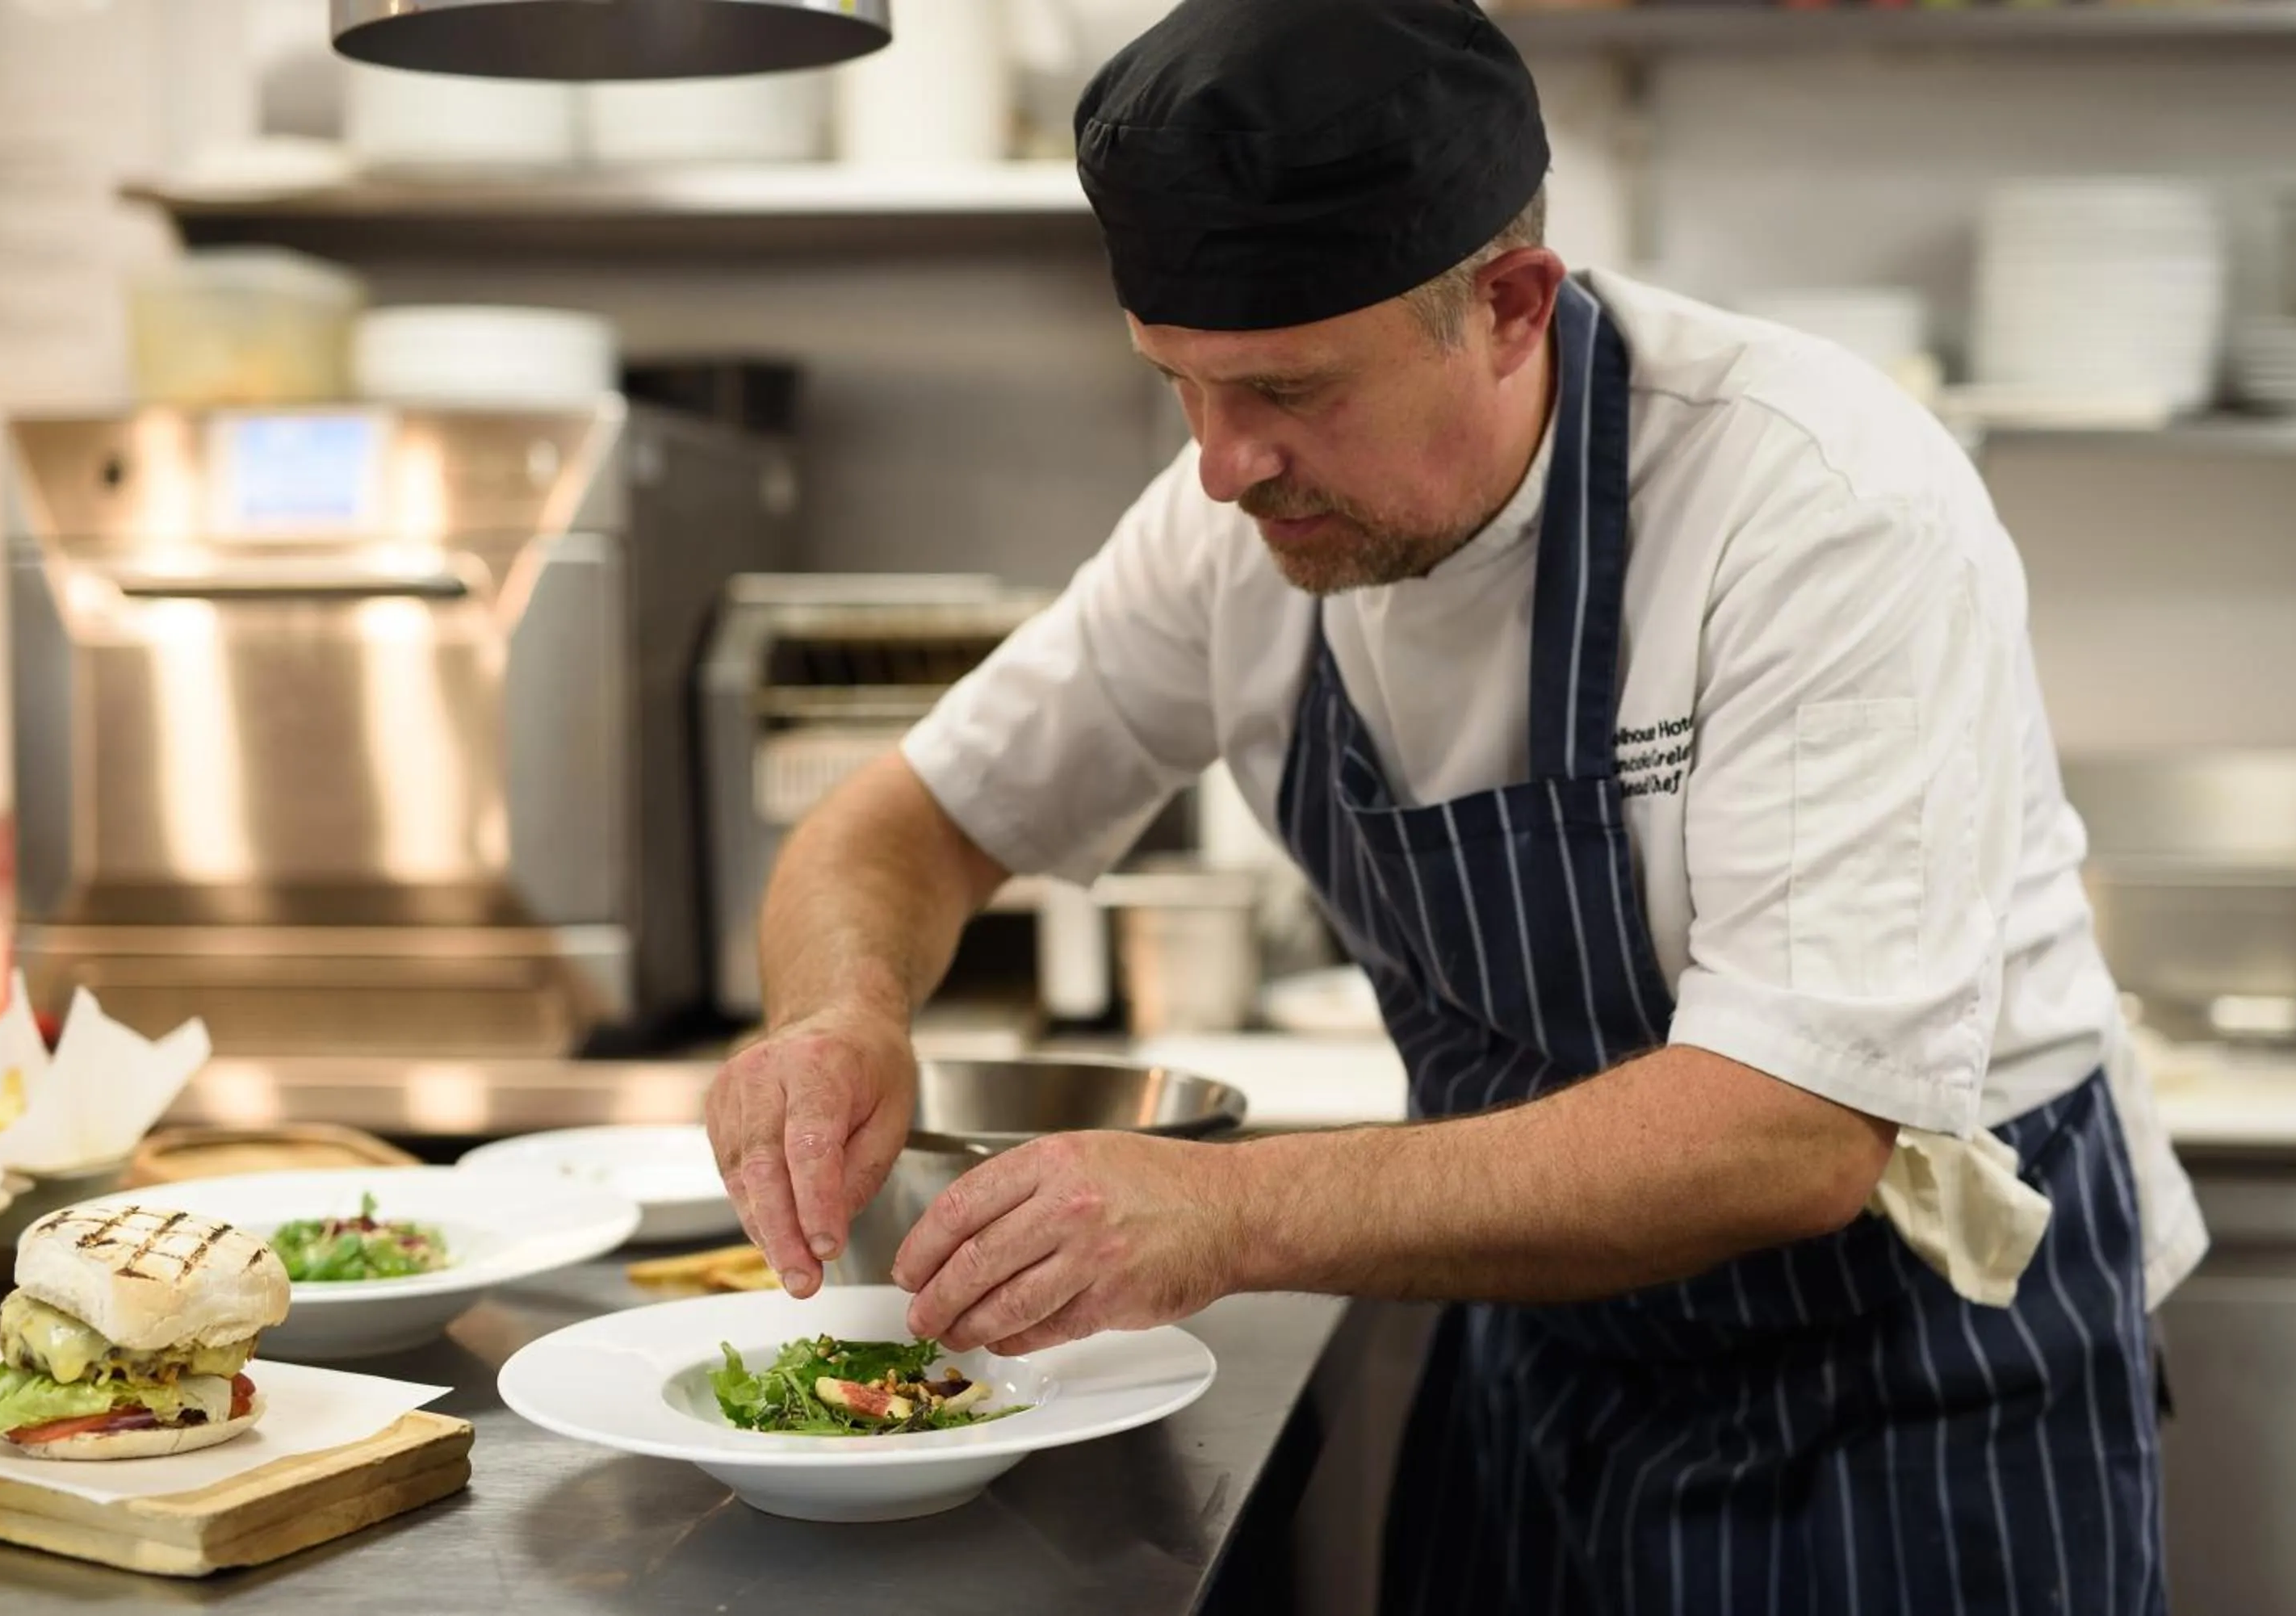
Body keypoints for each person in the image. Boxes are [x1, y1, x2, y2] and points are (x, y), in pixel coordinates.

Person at [705, 1, 2206, 1609]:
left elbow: (1789, 1132)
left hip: (1903, 1385)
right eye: (1179, 384)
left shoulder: (1818, 503)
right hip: (1549, 1347)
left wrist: (1224, 1212)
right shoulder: (1230, 532)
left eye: (1288, 387)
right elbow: (903, 821)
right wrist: (838, 1012)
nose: (1222, 465)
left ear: (1509, 305)